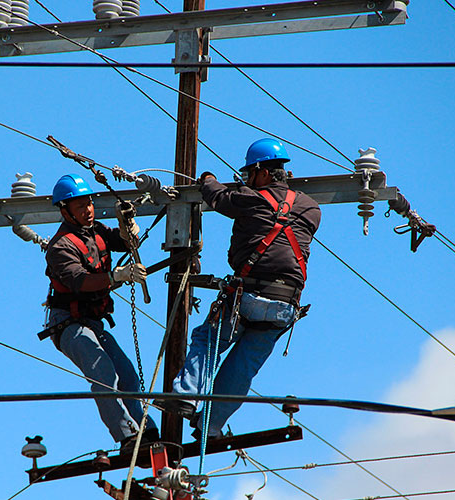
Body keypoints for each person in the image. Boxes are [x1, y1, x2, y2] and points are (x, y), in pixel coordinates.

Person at [158, 138, 321, 439]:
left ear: (263, 172)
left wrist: (207, 179)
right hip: (285, 305)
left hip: (248, 295)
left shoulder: (251, 198)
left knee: (208, 341)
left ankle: (186, 395)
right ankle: (211, 425)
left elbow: (218, 197)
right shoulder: (311, 208)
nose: (247, 180)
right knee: (243, 367)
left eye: (250, 174)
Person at [40, 173, 158, 455]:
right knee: (103, 371)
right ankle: (127, 436)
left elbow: (124, 243)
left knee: (127, 375)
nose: (88, 210)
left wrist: (127, 227)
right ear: (65, 210)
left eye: (89, 203)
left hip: (93, 322)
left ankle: (147, 430)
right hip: (67, 323)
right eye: (80, 206)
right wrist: (117, 276)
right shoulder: (60, 246)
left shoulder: (96, 231)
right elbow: (79, 280)